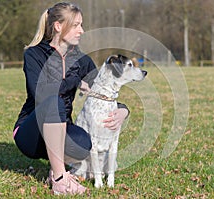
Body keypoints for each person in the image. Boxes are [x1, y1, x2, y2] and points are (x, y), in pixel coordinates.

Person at [12, 2, 129, 195]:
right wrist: (75, 81)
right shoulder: (34, 54)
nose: (82, 31)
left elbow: (103, 91)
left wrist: (123, 110)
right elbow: (40, 94)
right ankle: (59, 179)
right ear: (58, 26)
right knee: (52, 101)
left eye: (81, 25)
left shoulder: (83, 60)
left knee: (84, 143)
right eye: (76, 25)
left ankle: (55, 167)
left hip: (61, 129)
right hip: (30, 133)